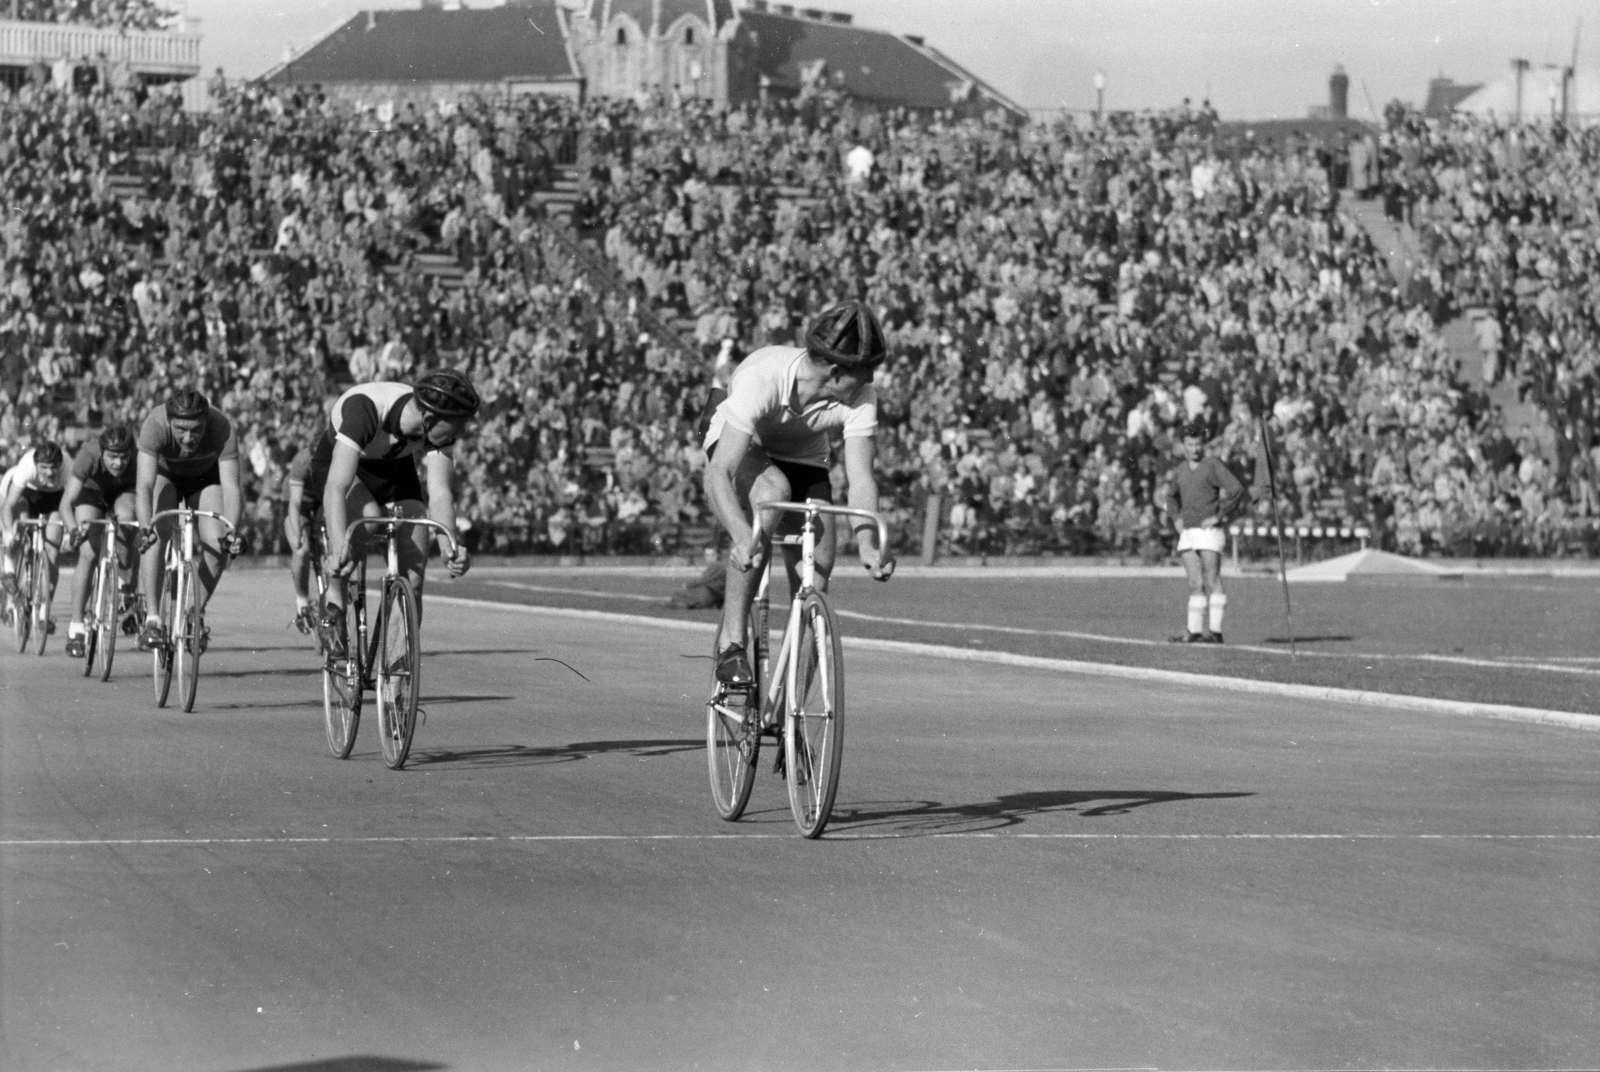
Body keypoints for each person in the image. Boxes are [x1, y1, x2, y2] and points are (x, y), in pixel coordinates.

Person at [701, 300, 896, 686]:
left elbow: (860, 478)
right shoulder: (764, 376)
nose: (873, 379)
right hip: (742, 442)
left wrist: (868, 546)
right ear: (837, 372)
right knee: (772, 491)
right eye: (866, 371)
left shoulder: (859, 397)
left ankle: (788, 716)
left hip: (804, 455)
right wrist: (742, 536)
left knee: (817, 573)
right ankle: (732, 640)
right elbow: (718, 472)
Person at [318, 369, 478, 658]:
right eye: (459, 424)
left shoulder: (436, 428)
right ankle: (335, 594)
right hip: (343, 467)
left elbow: (440, 491)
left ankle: (395, 676)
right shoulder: (365, 410)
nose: (463, 432)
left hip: (395, 467)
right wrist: (337, 548)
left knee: (414, 574)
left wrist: (449, 546)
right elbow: (336, 486)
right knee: (364, 519)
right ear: (429, 418)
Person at [134, 388, 246, 653]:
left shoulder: (222, 427)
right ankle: (152, 619)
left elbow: (231, 487)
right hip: (166, 475)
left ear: (206, 422)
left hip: (204, 480)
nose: (188, 437)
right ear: (169, 421)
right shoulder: (154, 423)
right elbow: (144, 486)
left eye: (196, 429)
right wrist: (144, 526)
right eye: (181, 429)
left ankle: (194, 612)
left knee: (218, 544)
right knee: (156, 533)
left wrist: (232, 530)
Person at [1162, 417, 1245, 644]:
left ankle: (1215, 632)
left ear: (1203, 444)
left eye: (1198, 444)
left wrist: (1219, 516)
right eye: (1190, 444)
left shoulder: (1213, 465)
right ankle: (1193, 631)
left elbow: (1236, 489)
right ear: (1183, 445)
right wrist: (1176, 518)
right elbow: (1170, 496)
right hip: (1187, 531)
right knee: (1194, 583)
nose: (1195, 448)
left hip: (1209, 531)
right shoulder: (1180, 469)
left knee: (1212, 579)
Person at [60, 425, 141, 657]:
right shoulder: (88, 455)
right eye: (112, 457)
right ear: (102, 452)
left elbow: (146, 493)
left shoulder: (138, 458)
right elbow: (66, 503)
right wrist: (74, 530)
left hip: (124, 490)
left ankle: (126, 590)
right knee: (89, 552)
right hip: (92, 492)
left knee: (127, 521)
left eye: (123, 457)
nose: (118, 463)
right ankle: (76, 627)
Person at [0, 439, 67, 634]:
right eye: (44, 467)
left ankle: (45, 613)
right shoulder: (25, 466)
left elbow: (73, 503)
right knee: (18, 530)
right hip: (26, 494)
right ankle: (9, 569)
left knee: (52, 553)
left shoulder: (68, 469)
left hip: (56, 497)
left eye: (53, 467)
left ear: (60, 465)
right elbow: (7, 506)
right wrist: (9, 533)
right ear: (36, 465)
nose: (49, 472)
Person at [283, 432, 334, 634]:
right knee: (302, 550)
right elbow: (294, 505)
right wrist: (297, 534)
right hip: (300, 499)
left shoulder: (339, 456)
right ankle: (302, 600)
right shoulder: (302, 460)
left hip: (324, 497)